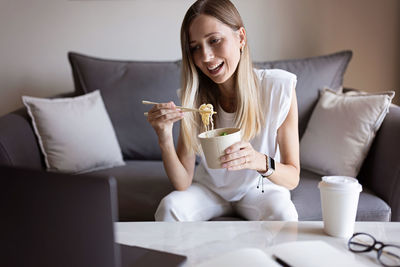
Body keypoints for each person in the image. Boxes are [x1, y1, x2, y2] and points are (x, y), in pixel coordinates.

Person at [147, 0, 300, 221]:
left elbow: (293, 177)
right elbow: (183, 181)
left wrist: (258, 160)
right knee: (169, 207)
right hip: (210, 189)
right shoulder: (194, 98)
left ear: (241, 38)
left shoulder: (278, 88)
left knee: (284, 213)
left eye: (214, 40)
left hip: (260, 189)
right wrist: (164, 137)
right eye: (195, 47)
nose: (206, 57)